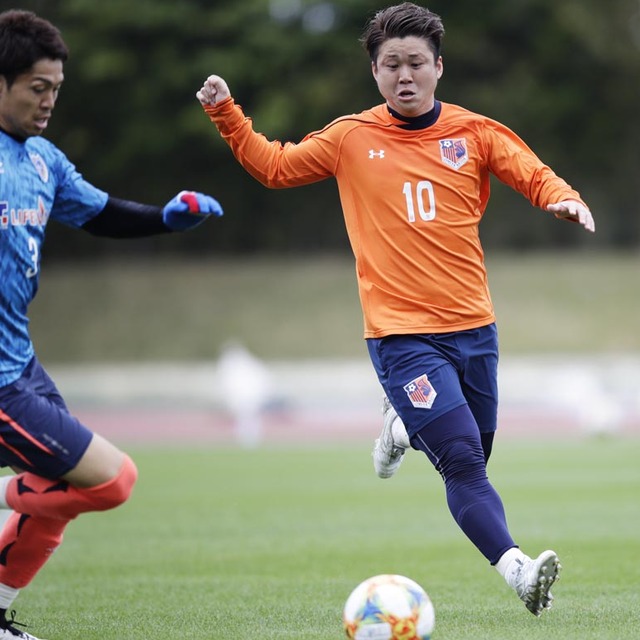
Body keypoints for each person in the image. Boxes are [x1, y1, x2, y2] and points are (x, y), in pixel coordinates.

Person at [196, 1, 594, 618]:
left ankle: (398, 426)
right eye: (391, 65)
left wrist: (563, 199)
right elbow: (274, 167)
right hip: (402, 336)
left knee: (476, 455)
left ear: (439, 67)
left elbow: (532, 172)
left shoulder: (474, 133)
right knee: (462, 462)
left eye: (415, 63)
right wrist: (226, 112)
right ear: (375, 73)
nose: (404, 76)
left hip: (475, 329)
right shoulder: (350, 137)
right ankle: (517, 569)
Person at [0, 10, 224, 639]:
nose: (49, 101)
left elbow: (99, 214)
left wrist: (164, 219)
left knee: (59, 494)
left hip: (20, 363)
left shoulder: (42, 160)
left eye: (55, 89)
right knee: (110, 480)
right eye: (36, 88)